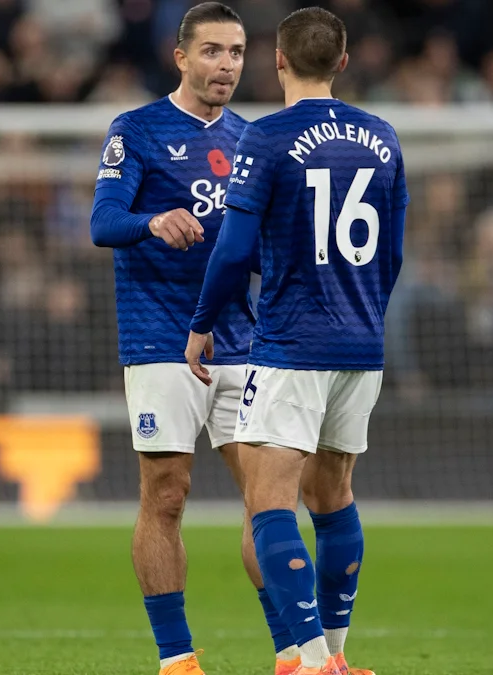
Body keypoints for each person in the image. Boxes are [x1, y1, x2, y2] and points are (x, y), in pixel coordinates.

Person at [186, 7, 407, 675]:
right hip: (362, 345)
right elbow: (393, 254)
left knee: (270, 501)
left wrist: (202, 323)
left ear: (277, 60)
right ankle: (336, 655)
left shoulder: (266, 137)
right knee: (334, 497)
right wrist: (363, 316)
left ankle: (309, 662)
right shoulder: (383, 137)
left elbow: (233, 250)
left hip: (290, 343)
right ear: (343, 62)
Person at [89, 5, 296, 675]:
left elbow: (262, 247)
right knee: (167, 494)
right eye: (212, 51)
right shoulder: (136, 130)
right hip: (158, 337)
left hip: (241, 340)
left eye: (236, 52)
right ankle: (177, 659)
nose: (226, 65)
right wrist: (152, 221)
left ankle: (293, 654)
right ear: (181, 57)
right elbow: (103, 222)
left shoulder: (253, 139)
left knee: (269, 501)